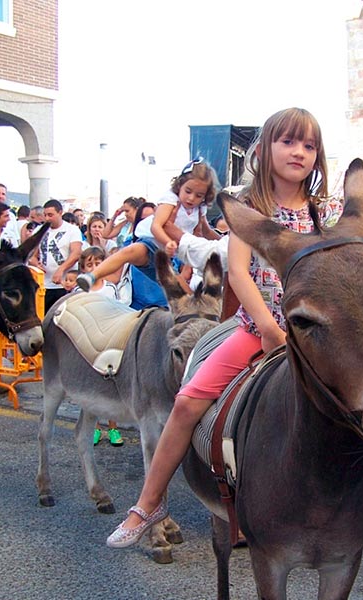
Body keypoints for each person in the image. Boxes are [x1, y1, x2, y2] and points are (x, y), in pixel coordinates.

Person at [104, 107, 341, 549]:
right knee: (186, 403)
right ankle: (149, 502)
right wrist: (269, 329)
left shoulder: (323, 212)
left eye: (309, 145)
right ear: (265, 148)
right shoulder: (248, 208)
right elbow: (238, 273)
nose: (300, 152)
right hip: (256, 330)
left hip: (314, 334)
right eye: (288, 142)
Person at [75, 159, 219, 295]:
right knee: (129, 251)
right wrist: (168, 241)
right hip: (151, 244)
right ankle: (92, 276)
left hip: (167, 258)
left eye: (199, 195)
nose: (191, 198)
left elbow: (205, 231)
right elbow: (156, 226)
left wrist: (224, 240)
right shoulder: (171, 200)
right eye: (188, 191)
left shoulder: (200, 209)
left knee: (183, 293)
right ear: (180, 185)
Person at [75, 246, 125, 447]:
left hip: (108, 342)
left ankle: (113, 428)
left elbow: (118, 311)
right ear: (83, 267)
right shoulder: (79, 290)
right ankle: (94, 428)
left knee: (111, 386)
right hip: (88, 344)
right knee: (91, 388)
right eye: (90, 264)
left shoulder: (110, 288)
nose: (94, 267)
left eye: (98, 263)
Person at [30, 199, 82, 313]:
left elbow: (76, 253)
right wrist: (35, 263)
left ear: (60, 213)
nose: (47, 218)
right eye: (45, 215)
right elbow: (32, 255)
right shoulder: (39, 230)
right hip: (43, 285)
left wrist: (61, 269)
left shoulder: (72, 230)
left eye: (50, 215)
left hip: (64, 285)